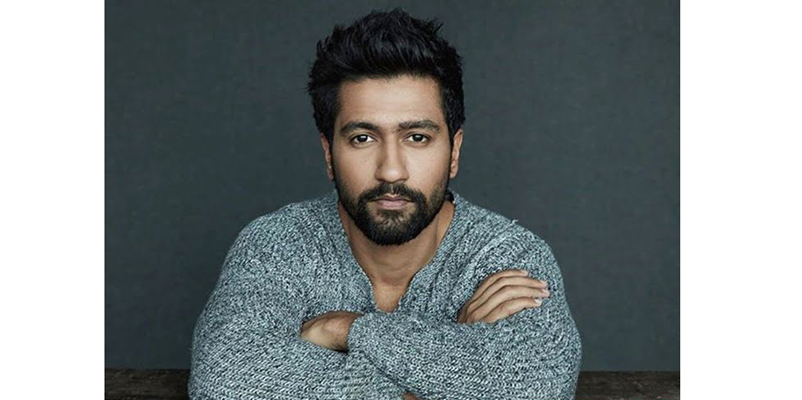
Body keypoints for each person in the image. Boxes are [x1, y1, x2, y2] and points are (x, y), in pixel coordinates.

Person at [189, 8, 582, 400]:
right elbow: (223, 381)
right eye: (363, 138)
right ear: (329, 154)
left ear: (454, 151)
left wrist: (345, 329)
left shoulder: (509, 257)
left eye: (417, 138)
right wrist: (449, 367)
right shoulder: (277, 245)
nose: (391, 170)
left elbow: (540, 386)